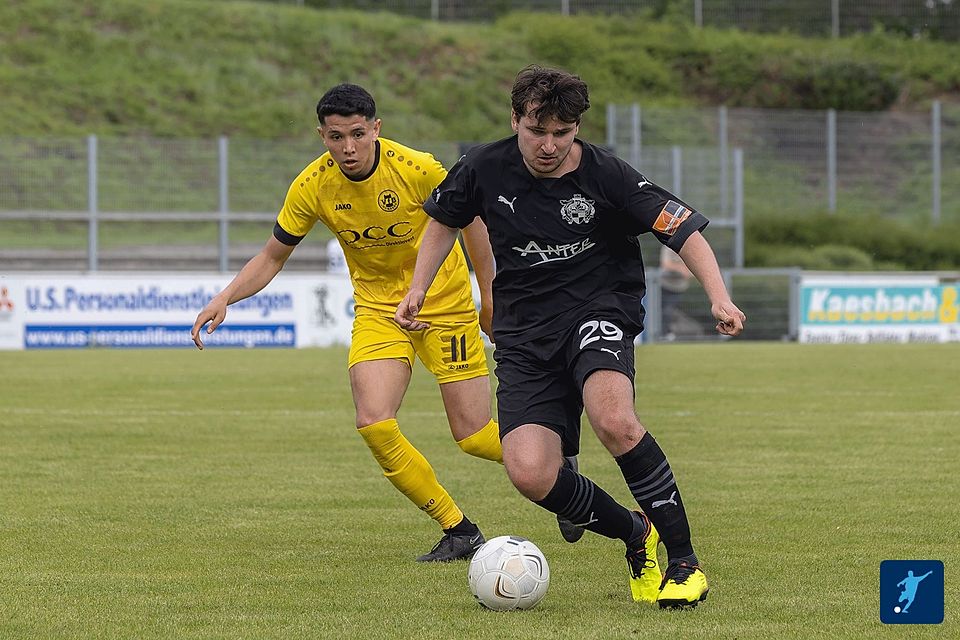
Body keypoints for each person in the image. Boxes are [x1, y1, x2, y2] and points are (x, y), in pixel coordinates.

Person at [396, 65, 745, 607]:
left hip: (598, 309)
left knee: (614, 418)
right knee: (531, 473)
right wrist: (417, 288)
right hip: (523, 334)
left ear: (577, 128)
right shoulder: (482, 167)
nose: (550, 145)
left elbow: (684, 232)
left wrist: (718, 296)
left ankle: (684, 562)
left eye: (563, 133)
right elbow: (443, 220)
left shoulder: (608, 174)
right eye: (538, 131)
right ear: (516, 120)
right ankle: (637, 535)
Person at [191, 83, 509, 563]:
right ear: (322, 135)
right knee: (374, 422)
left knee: (475, 437)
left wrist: (490, 297)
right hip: (380, 311)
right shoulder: (313, 186)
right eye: (337, 137)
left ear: (376, 128)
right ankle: (459, 529)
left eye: (358, 134)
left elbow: (474, 224)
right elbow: (273, 256)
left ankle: (558, 470)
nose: (349, 148)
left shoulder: (420, 170)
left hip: (443, 306)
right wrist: (225, 297)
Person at [658, 245, 694, 340]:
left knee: (670, 312)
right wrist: (681, 269)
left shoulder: (689, 247)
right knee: (664, 311)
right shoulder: (667, 248)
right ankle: (664, 334)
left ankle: (667, 333)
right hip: (665, 285)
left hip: (680, 287)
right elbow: (666, 264)